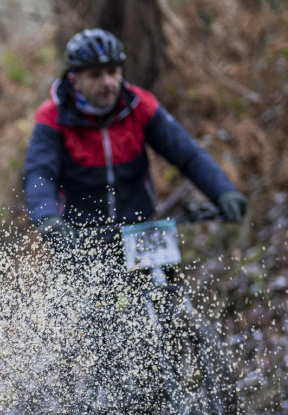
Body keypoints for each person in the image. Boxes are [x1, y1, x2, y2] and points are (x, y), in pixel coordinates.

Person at [22, 28, 248, 264]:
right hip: (83, 236)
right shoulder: (52, 116)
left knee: (163, 286)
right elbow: (39, 173)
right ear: (74, 80)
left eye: (112, 72)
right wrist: (47, 218)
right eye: (95, 75)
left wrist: (223, 191)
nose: (107, 82)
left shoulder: (141, 105)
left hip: (142, 228)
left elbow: (187, 154)